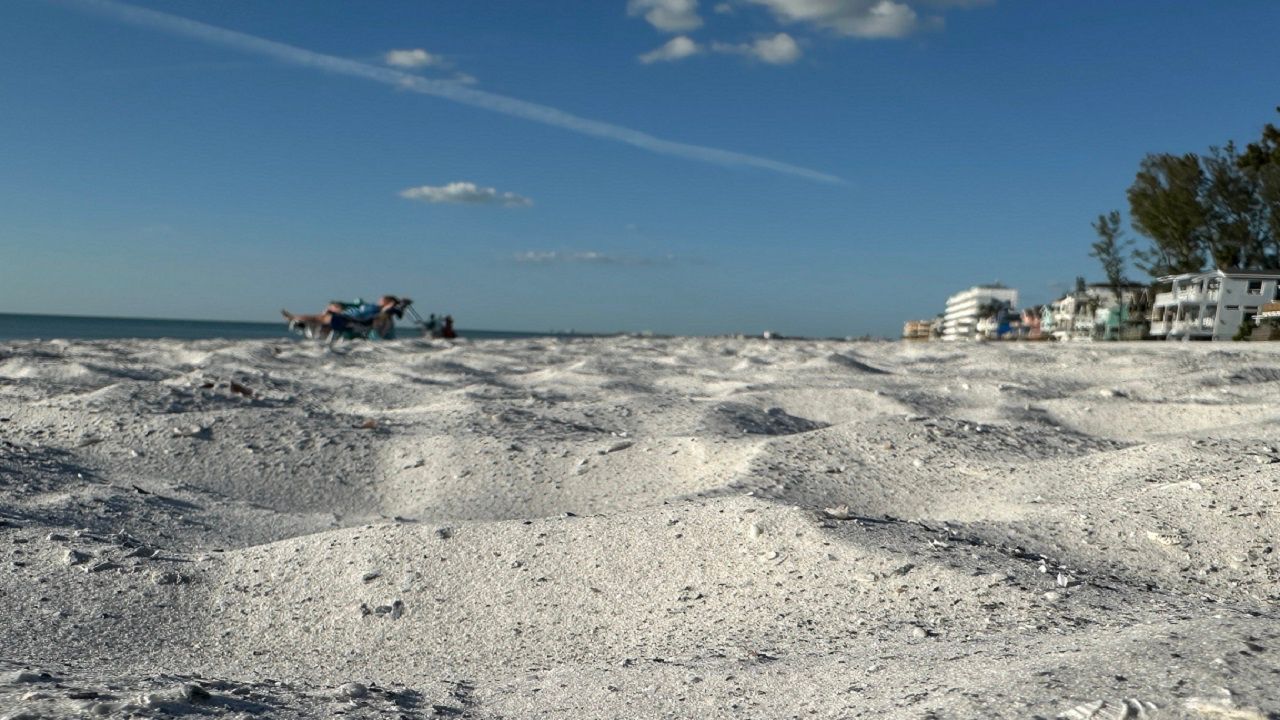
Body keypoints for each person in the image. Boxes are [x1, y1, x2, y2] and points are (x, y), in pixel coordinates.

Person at [282, 295, 412, 340]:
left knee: (320, 318)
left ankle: (295, 318)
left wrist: (398, 303)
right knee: (324, 319)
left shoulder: (381, 310)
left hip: (355, 323)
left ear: (387, 302)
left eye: (381, 300)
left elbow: (389, 309)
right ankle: (300, 323)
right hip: (350, 320)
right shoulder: (369, 306)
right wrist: (339, 306)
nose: (378, 301)